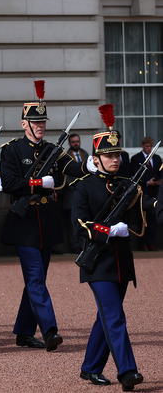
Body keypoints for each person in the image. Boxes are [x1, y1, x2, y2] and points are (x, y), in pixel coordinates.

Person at [0, 80, 90, 352]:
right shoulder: (12, 149)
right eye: (35, 122)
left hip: (46, 222)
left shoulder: (53, 150)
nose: (40, 126)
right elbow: (9, 182)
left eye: (43, 122)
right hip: (24, 222)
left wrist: (92, 165)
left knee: (36, 280)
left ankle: (24, 332)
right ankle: (50, 330)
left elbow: (73, 169)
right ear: (24, 123)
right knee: (36, 278)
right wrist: (40, 184)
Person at [72, 104, 145, 391]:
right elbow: (79, 225)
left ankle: (90, 367)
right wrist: (107, 230)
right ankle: (127, 372)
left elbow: (138, 225)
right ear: (97, 159)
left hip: (121, 263)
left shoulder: (127, 185)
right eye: (109, 156)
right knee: (115, 315)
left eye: (117, 155)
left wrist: (137, 202)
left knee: (106, 317)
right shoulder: (84, 186)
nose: (115, 160)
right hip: (98, 262)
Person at [129, 136, 161, 251]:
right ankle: (143, 243)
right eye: (147, 146)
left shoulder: (157, 158)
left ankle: (151, 242)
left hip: (154, 192)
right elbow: (133, 175)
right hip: (142, 192)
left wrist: (158, 181)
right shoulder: (136, 158)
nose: (149, 148)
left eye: (150, 146)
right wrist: (147, 182)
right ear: (143, 146)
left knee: (153, 219)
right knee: (142, 219)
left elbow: (159, 173)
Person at [61, 133, 90, 254]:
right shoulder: (65, 156)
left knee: (85, 219)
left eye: (77, 141)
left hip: (85, 193)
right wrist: (76, 186)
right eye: (73, 142)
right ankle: (75, 245)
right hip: (71, 194)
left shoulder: (85, 154)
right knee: (73, 221)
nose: (75, 144)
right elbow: (65, 175)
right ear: (69, 143)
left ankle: (85, 243)